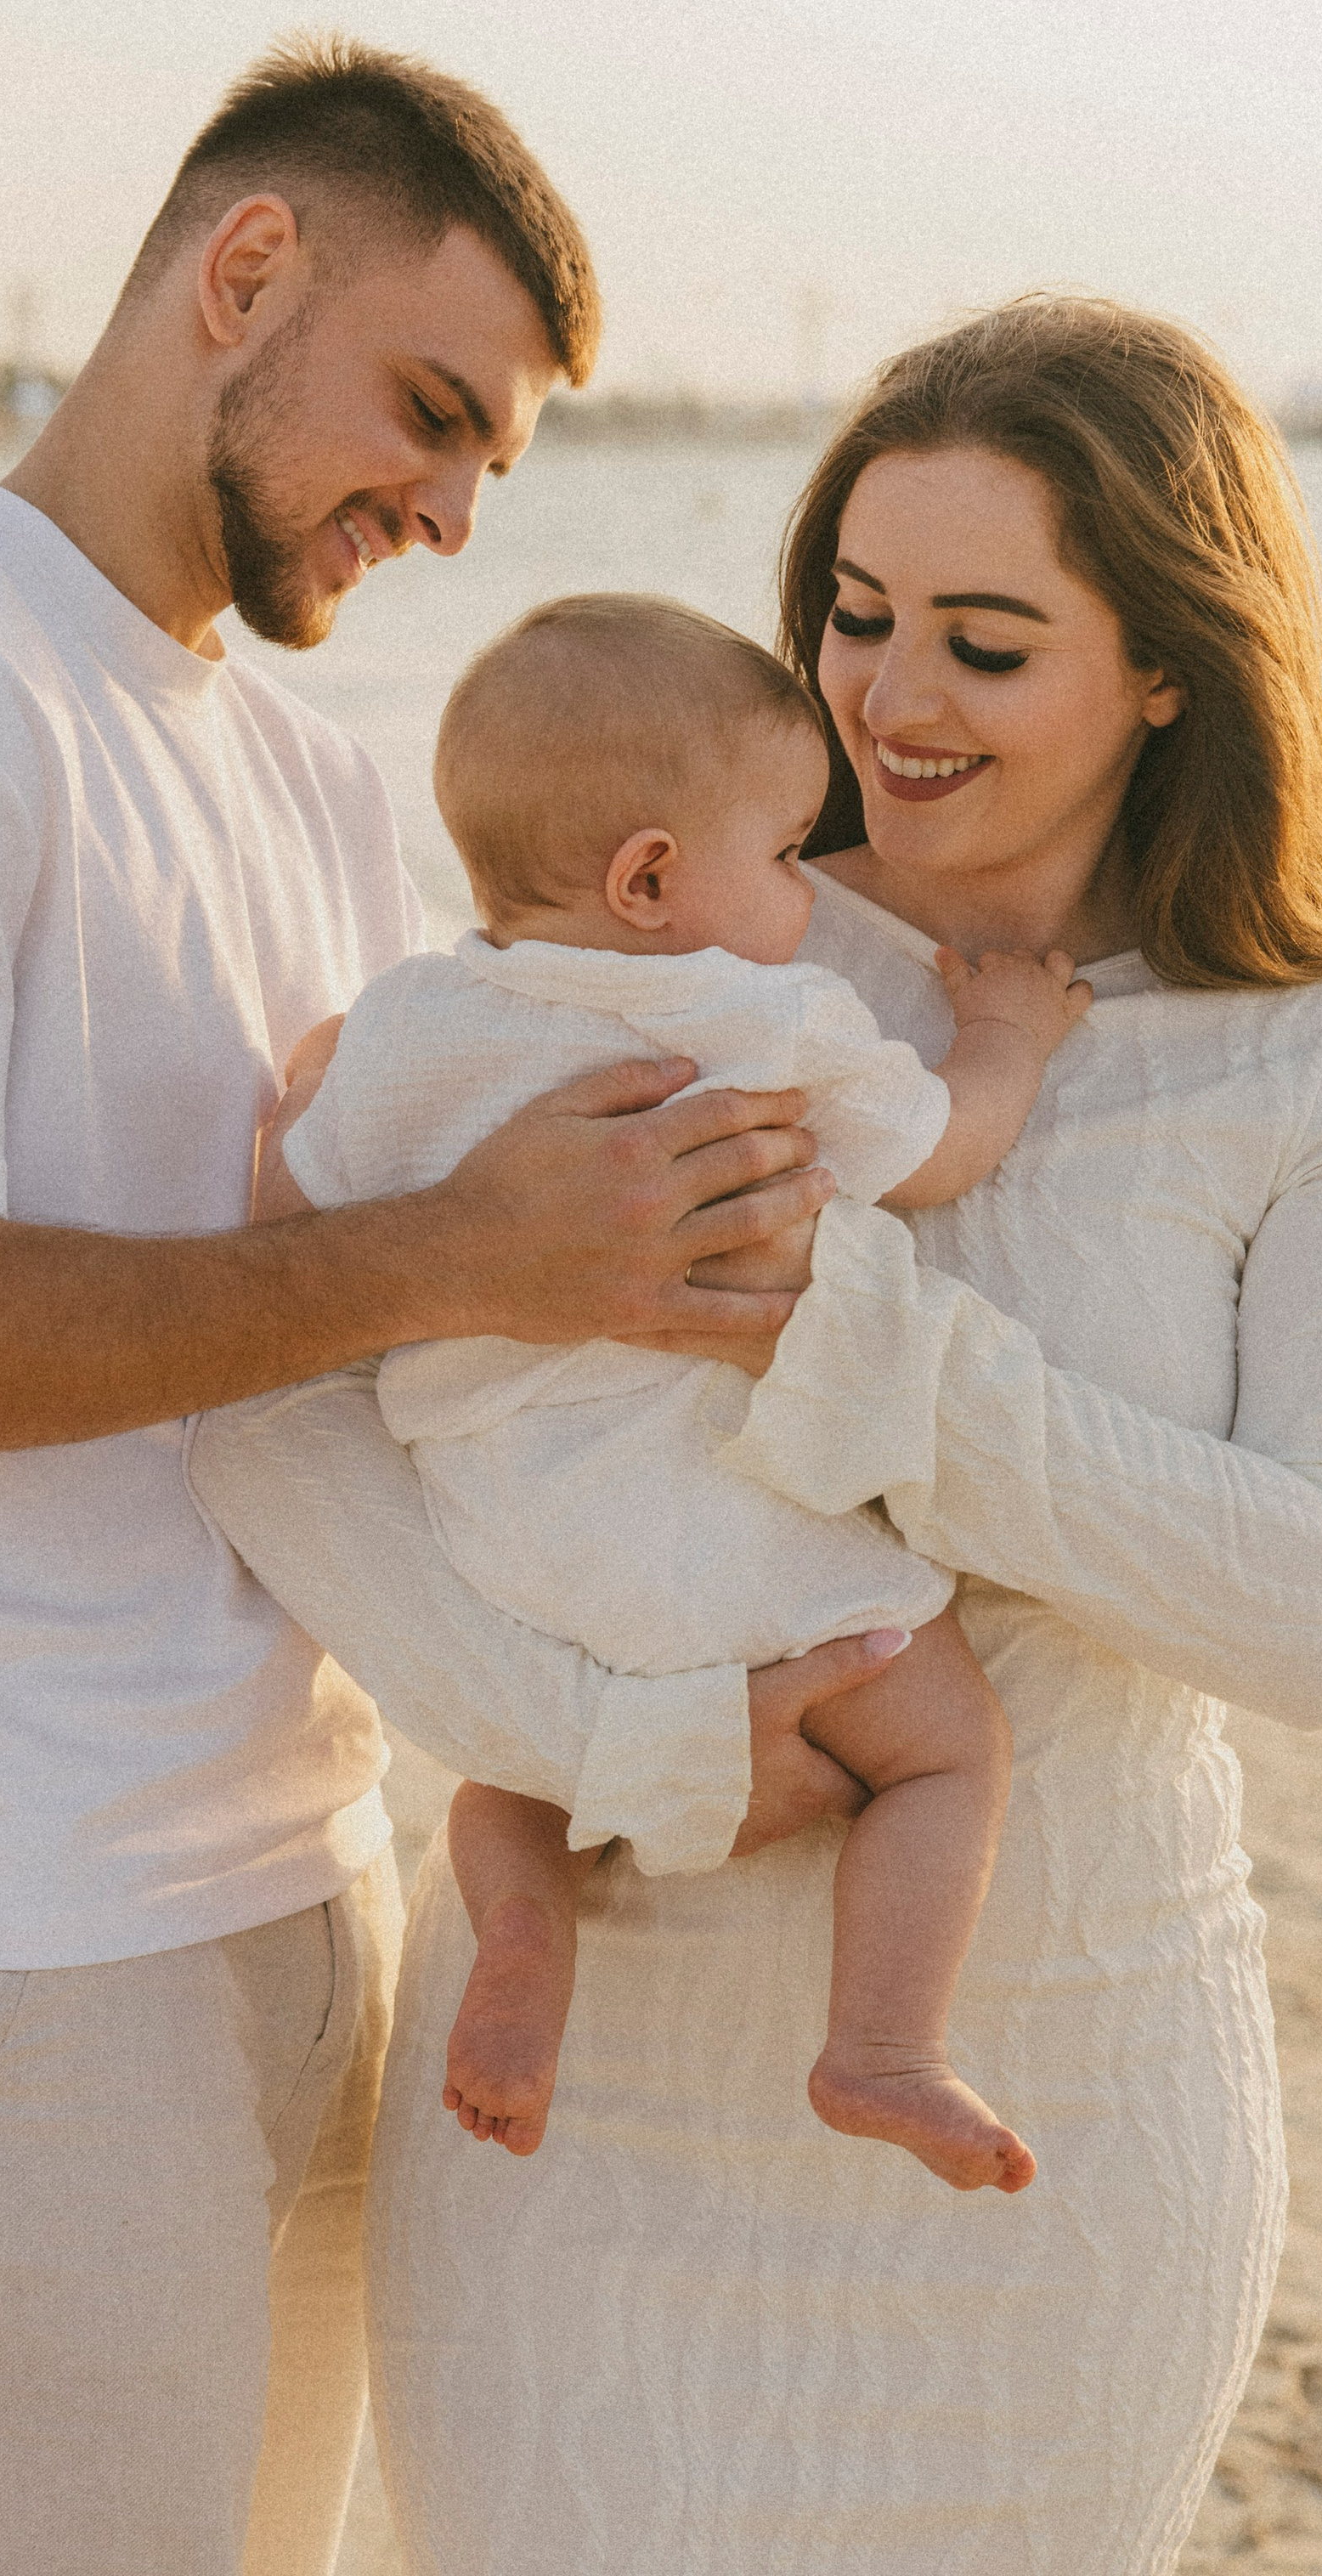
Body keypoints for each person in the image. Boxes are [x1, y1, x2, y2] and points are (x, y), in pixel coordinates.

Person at [0, 36, 899, 2576]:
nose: (449, 513)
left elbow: (369, 1374)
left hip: (297, 1886)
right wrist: (458, 1251)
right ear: (242, 273)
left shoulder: (320, 786)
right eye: (429, 413)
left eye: (492, 466)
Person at [189, 292, 1322, 2576]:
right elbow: (283, 1403)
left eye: (985, 643)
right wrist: (615, 1739)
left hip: (1062, 2107)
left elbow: (1314, 1614)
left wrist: (856, 1339)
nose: (890, 697)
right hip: (580, 2092)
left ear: (1167, 665)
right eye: (858, 614)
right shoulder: (671, 931)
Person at [263, 592, 1092, 2189]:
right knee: (945, 1752)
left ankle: (525, 1934)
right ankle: (885, 2046)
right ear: (651, 879)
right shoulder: (753, 1020)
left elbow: (290, 1225)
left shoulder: (412, 1024)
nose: (805, 890)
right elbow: (940, 1149)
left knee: (517, 1783)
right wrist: (1008, 1037)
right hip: (714, 1533)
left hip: (503, 1540)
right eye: (781, 855)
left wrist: (311, 1092)